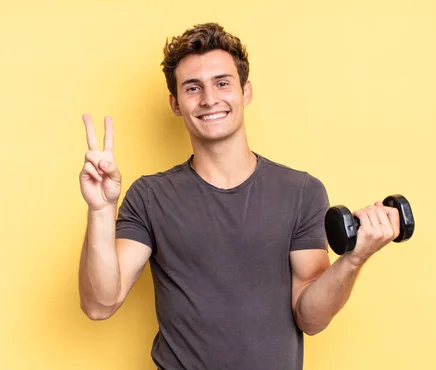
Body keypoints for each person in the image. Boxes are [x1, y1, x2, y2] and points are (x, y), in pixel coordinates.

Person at [78, 22, 401, 370]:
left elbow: (311, 319)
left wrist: (354, 259)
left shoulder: (301, 192)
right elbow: (100, 305)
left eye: (222, 83)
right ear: (175, 103)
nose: (209, 99)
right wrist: (100, 209)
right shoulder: (150, 196)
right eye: (192, 88)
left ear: (245, 92)